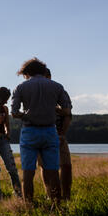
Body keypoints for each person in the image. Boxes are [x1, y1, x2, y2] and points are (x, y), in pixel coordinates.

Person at [11, 58, 72, 204]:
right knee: (52, 171)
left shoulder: (20, 87)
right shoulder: (56, 86)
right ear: (43, 71)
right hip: (50, 131)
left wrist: (25, 114)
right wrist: (52, 109)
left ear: (27, 73)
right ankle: (57, 207)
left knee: (28, 173)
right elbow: (66, 110)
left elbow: (14, 112)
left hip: (29, 131)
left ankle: (29, 208)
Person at [38, 68, 73, 200]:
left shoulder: (60, 92)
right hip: (41, 133)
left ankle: (67, 196)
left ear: (49, 77)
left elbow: (68, 115)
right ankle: (50, 195)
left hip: (59, 133)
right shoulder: (36, 93)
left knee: (66, 165)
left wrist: (62, 133)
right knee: (44, 166)